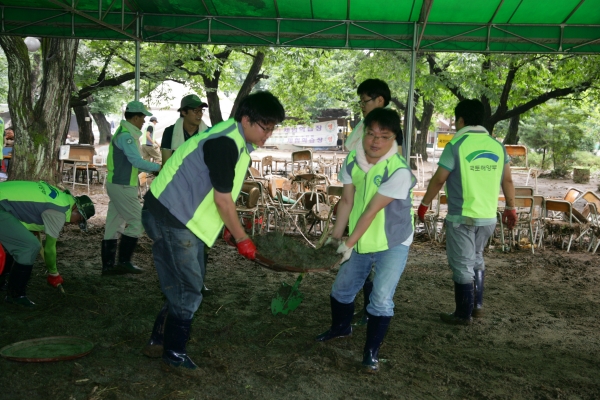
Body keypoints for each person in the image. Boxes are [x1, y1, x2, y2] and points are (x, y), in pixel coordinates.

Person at [141, 91, 285, 376]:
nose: (268, 134)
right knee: (189, 287)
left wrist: (229, 230)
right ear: (246, 119)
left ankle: (159, 338)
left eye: (271, 128)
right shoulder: (225, 143)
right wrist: (242, 237)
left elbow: (217, 194)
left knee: (181, 282)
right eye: (264, 127)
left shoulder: (236, 139)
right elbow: (223, 200)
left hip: (184, 216)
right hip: (172, 215)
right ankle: (174, 353)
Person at [316, 108, 416, 373]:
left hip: (392, 240)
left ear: (394, 138)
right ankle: (341, 328)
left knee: (381, 299)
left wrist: (347, 246)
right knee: (341, 290)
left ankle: (371, 352)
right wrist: (335, 238)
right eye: (370, 134)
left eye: (383, 136)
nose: (375, 141)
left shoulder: (399, 171)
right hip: (362, 238)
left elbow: (371, 211)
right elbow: (347, 200)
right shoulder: (352, 160)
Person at [418, 99, 516, 325]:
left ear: (461, 120)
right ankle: (477, 306)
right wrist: (511, 208)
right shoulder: (497, 146)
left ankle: (463, 314)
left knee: (462, 265)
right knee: (477, 258)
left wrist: (424, 204)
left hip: (462, 217)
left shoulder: (456, 146)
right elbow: (508, 179)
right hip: (488, 217)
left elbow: (439, 179)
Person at [343, 78, 404, 326]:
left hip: (378, 210)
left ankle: (371, 310)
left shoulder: (387, 135)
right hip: (358, 201)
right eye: (360, 101)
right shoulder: (363, 127)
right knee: (362, 262)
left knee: (373, 262)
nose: (361, 105)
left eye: (365, 100)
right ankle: (365, 309)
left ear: (380, 100)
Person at [0, 180, 95, 307]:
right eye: (79, 220)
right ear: (76, 209)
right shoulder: (59, 212)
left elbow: (28, 206)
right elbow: (49, 249)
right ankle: (15, 296)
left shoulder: (62, 199)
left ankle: (2, 282)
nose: (75, 224)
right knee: (29, 246)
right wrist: (53, 273)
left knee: (20, 241)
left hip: (4, 202)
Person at [101, 101, 161, 276]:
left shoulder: (125, 133)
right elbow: (135, 161)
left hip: (117, 183)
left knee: (113, 224)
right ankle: (124, 261)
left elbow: (132, 163)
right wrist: (159, 168)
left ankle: (109, 267)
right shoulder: (126, 136)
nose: (144, 120)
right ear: (135, 117)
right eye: (142, 117)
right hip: (122, 185)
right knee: (138, 221)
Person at [160, 95, 209, 165]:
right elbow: (166, 164)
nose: (200, 114)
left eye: (201, 110)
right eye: (195, 111)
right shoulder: (170, 132)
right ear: (184, 112)